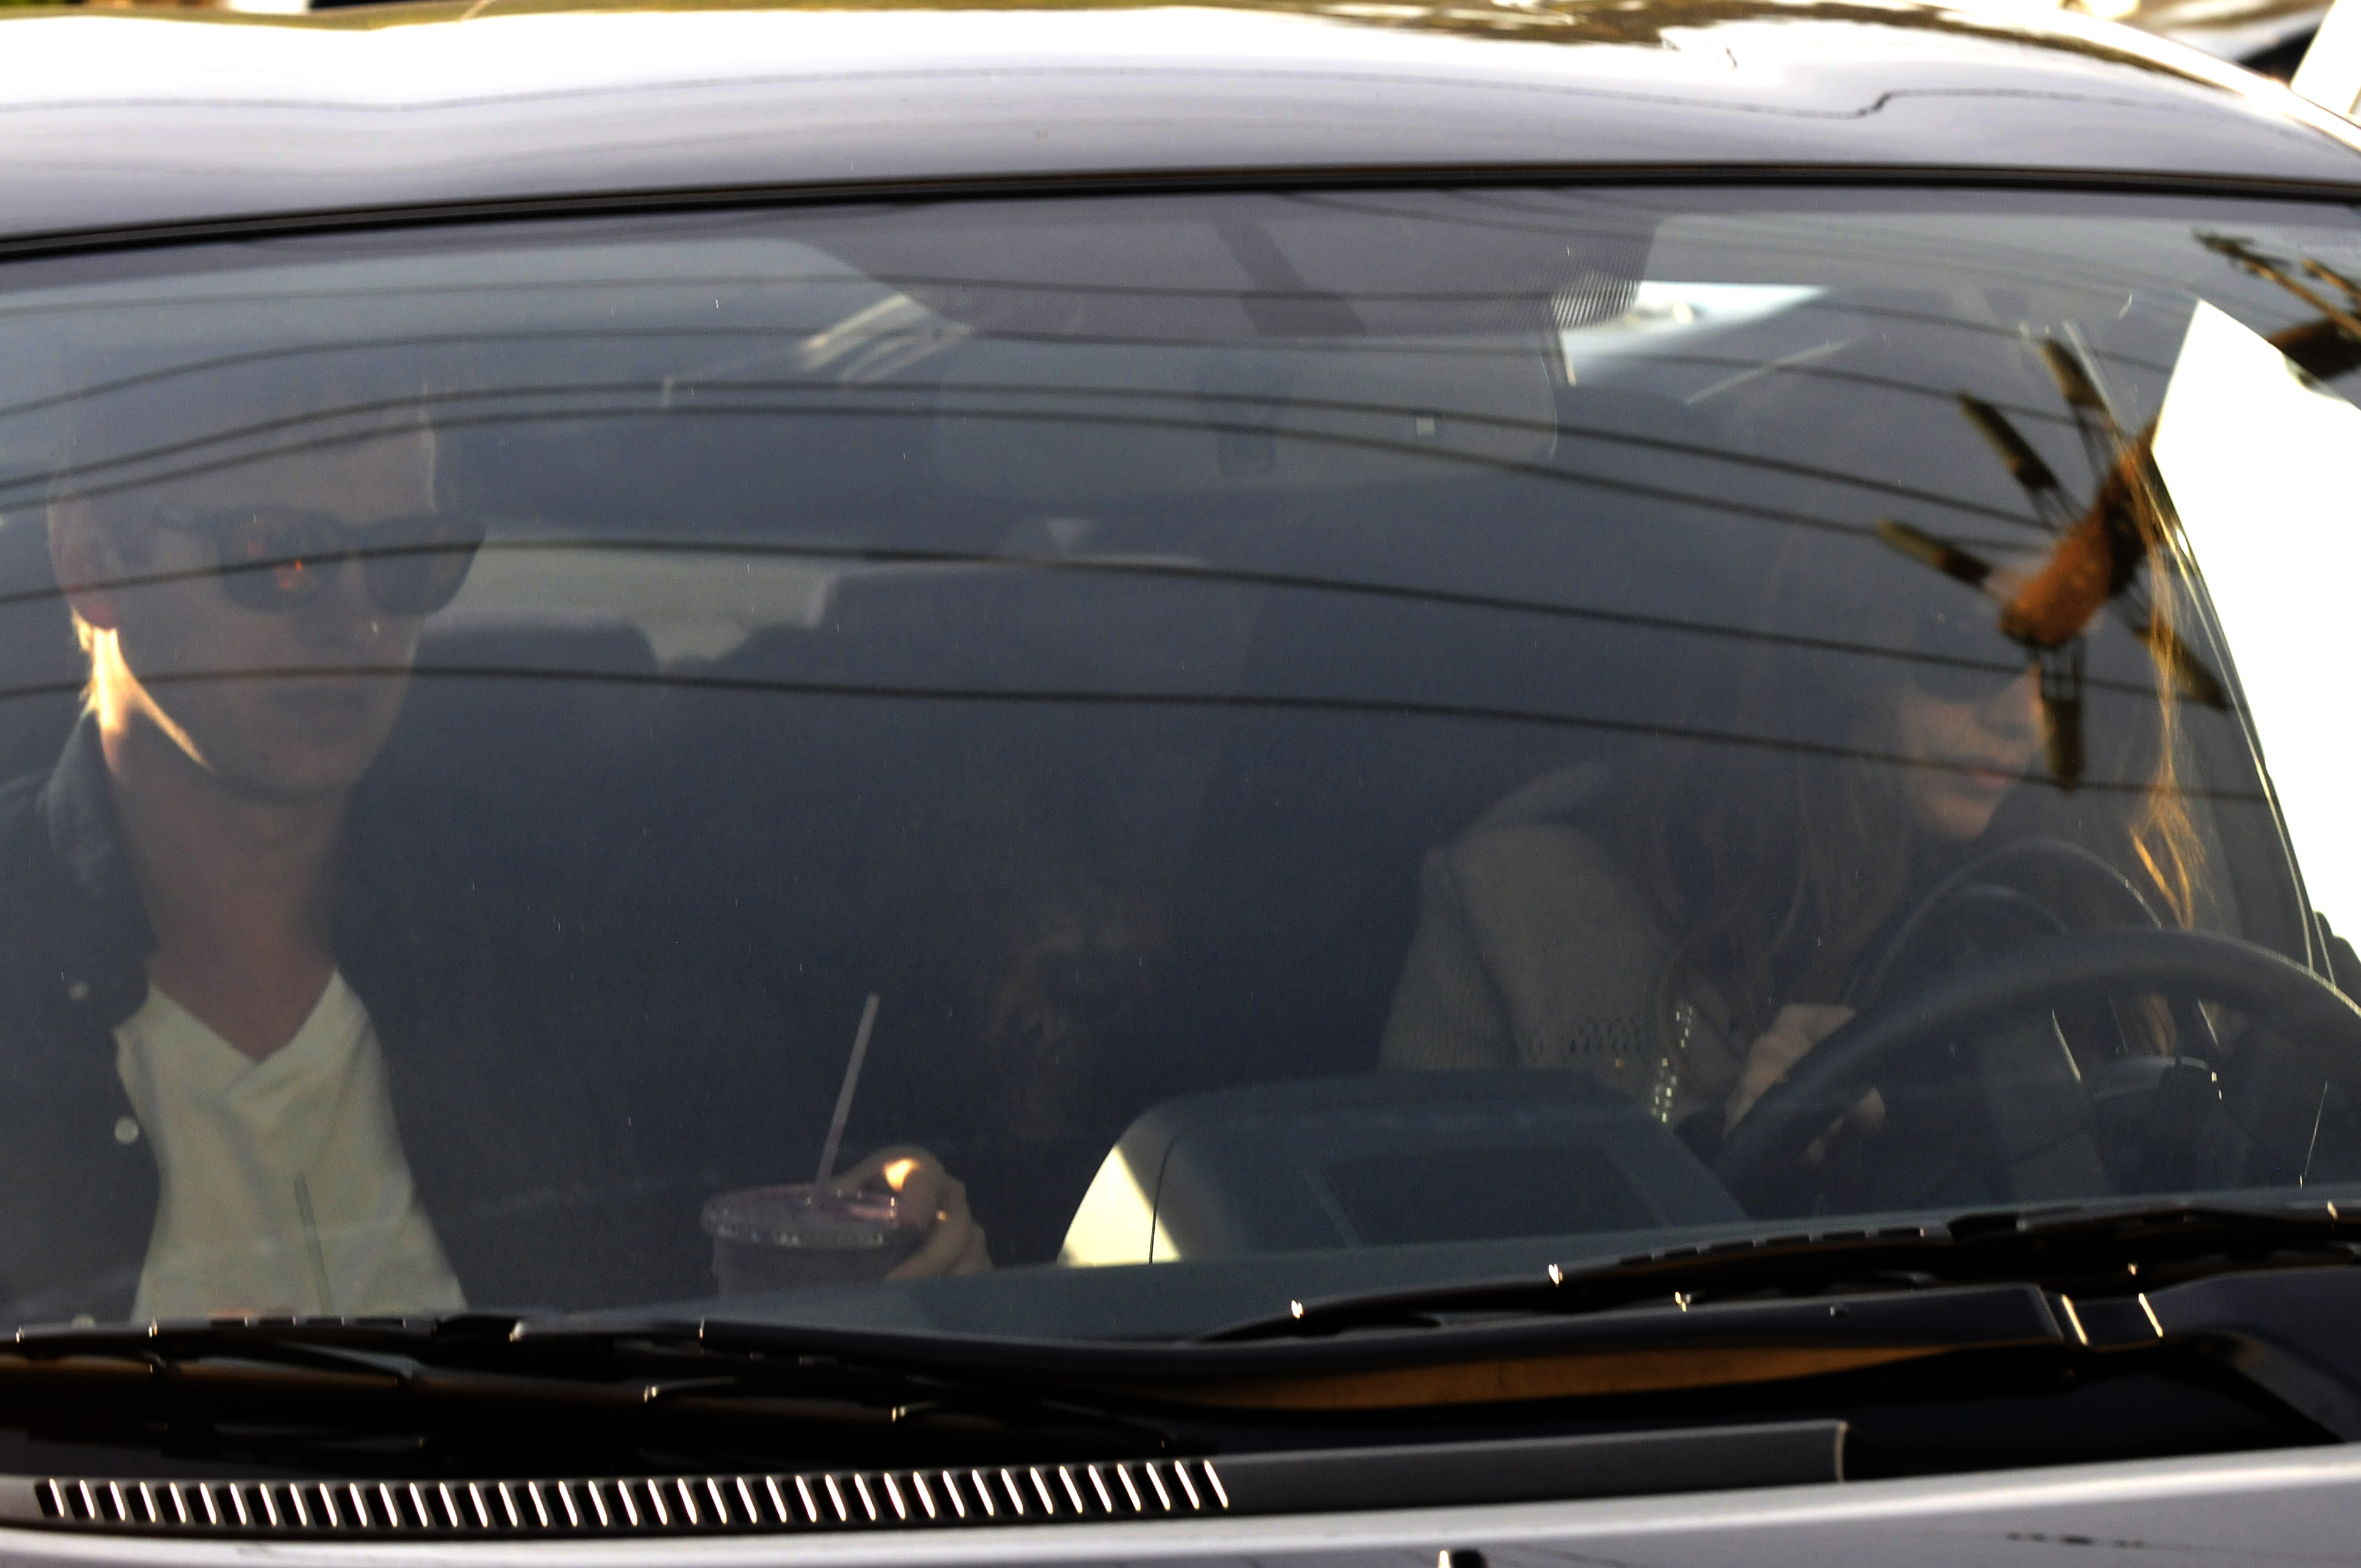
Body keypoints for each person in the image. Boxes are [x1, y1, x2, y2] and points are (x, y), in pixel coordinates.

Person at [0, 395, 984, 1326]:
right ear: (92, 556)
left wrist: (892, 1235)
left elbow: (783, 1210)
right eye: (277, 557)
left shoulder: (567, 932)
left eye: (408, 562)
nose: (358, 624)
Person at [1379, 543, 2211, 1203]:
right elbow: (1424, 1267)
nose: (2024, 712)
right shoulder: (1522, 917)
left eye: (2066, 659)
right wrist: (1722, 1165)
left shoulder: (2102, 936)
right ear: (1843, 641)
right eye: (1972, 642)